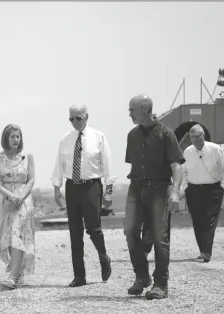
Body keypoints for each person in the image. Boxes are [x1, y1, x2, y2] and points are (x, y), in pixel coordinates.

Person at [124, 94, 185, 300]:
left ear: (144, 109)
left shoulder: (166, 134)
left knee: (160, 239)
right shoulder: (132, 135)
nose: (129, 113)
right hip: (135, 188)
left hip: (159, 190)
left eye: (132, 109)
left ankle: (161, 284)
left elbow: (176, 165)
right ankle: (142, 277)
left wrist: (175, 190)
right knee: (130, 231)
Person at [51, 104, 115, 288]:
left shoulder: (99, 137)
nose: (74, 122)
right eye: (71, 119)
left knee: (93, 229)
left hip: (92, 187)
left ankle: (104, 257)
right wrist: (57, 188)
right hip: (72, 187)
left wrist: (108, 191)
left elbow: (108, 165)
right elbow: (59, 164)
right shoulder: (65, 139)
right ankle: (79, 276)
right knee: (75, 233)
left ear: (86, 116)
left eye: (78, 118)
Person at [0, 123, 36, 289]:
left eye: (18, 136)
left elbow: (31, 180)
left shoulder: (28, 157)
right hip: (6, 200)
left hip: (24, 201)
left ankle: (12, 277)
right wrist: (11, 196)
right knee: (9, 238)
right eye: (12, 136)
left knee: (18, 234)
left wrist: (21, 196)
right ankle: (18, 272)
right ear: (6, 138)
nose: (16, 140)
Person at [179, 124, 224, 263]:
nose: (194, 140)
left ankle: (206, 252)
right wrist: (183, 189)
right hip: (193, 190)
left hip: (213, 190)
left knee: (209, 220)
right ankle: (203, 250)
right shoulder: (188, 151)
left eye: (197, 137)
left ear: (203, 136)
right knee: (197, 220)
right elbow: (184, 172)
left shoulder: (215, 149)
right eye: (192, 137)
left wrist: (222, 186)